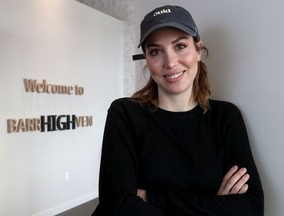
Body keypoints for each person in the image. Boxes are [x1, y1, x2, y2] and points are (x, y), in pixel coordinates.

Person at [92, 5, 264, 216]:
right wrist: (213, 206)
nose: (170, 62)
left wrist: (151, 197)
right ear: (147, 58)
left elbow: (252, 207)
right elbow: (117, 205)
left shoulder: (225, 117)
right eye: (156, 51)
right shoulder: (125, 113)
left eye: (180, 46)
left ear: (198, 50)